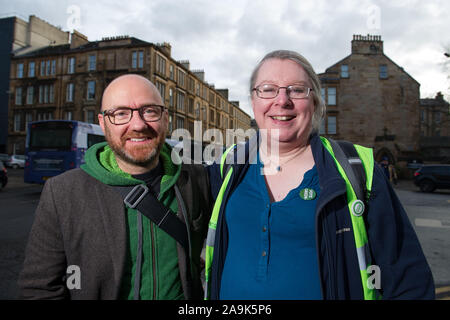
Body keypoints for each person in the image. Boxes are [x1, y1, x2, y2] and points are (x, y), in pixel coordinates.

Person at [205, 50, 434, 300]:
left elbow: (407, 281)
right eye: (268, 89)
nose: (282, 100)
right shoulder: (228, 165)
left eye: (297, 89)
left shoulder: (359, 170)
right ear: (253, 100)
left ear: (314, 102)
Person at [18, 74, 211, 300]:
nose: (138, 124)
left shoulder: (197, 180)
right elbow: (39, 290)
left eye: (150, 111)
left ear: (165, 118)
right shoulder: (62, 192)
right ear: (102, 123)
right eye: (120, 113)